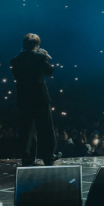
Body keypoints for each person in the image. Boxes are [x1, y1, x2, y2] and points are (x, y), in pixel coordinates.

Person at [10, 33, 61, 166]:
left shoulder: (15, 60)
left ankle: (27, 157)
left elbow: (16, 76)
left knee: (26, 128)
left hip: (23, 98)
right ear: (37, 45)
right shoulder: (40, 56)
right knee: (45, 126)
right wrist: (46, 57)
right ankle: (48, 157)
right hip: (40, 97)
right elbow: (49, 71)